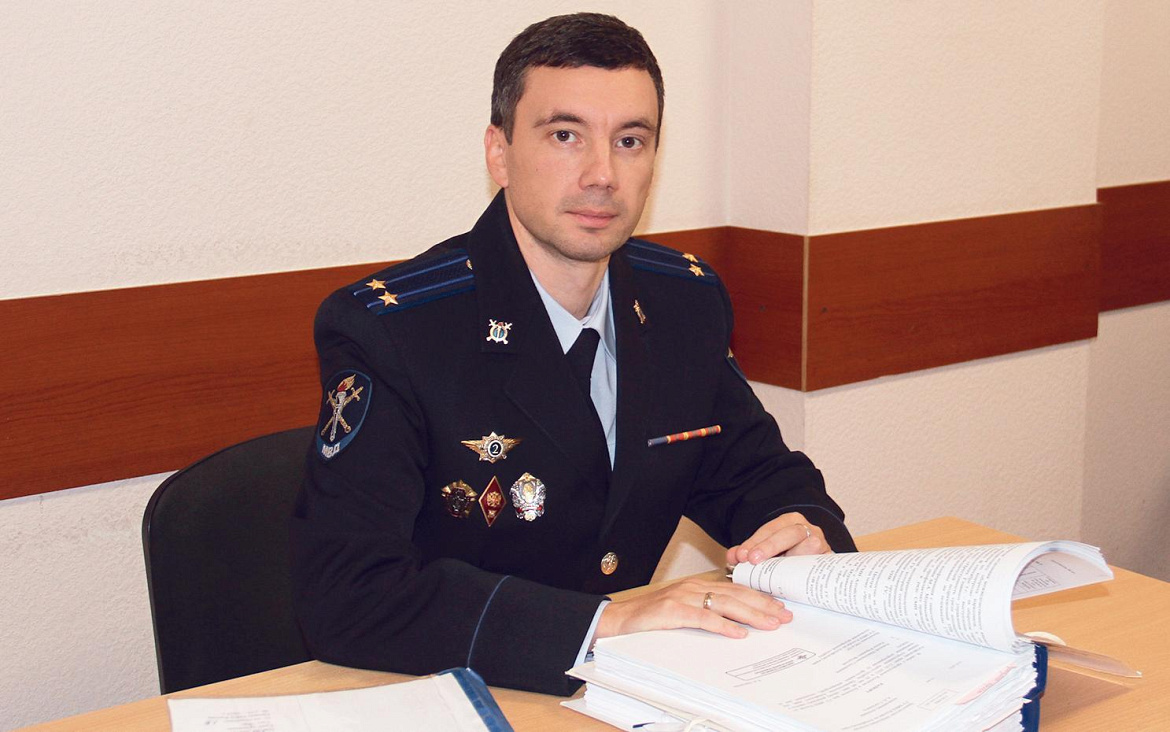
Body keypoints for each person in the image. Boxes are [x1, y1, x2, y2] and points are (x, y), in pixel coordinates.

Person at [289, 12, 856, 696]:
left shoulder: (683, 301)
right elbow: (349, 596)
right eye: (565, 135)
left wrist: (805, 537)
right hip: (459, 693)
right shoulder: (395, 330)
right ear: (499, 152)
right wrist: (605, 623)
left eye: (630, 141)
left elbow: (757, 476)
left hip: (625, 697)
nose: (602, 175)